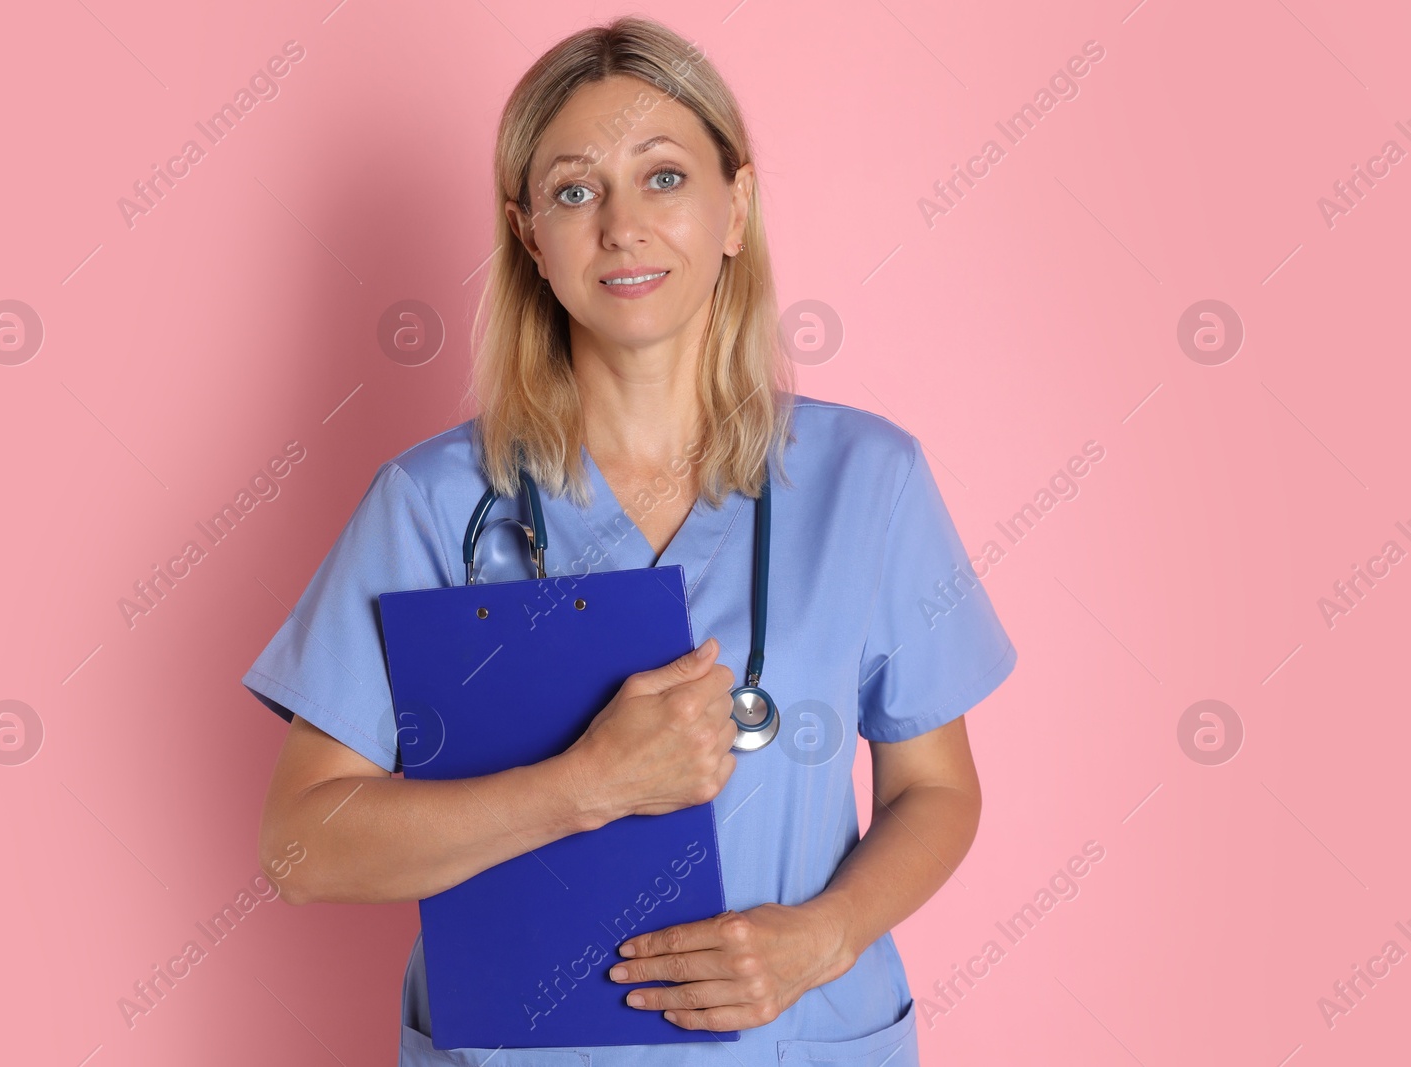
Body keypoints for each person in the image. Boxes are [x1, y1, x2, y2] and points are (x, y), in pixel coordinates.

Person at [244, 15, 1016, 1066]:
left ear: (734, 207)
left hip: (790, 1040)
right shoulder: (430, 505)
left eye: (663, 177)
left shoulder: (866, 482)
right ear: (529, 236)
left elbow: (937, 789)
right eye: (574, 189)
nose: (621, 224)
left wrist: (821, 938)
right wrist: (585, 785)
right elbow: (300, 845)